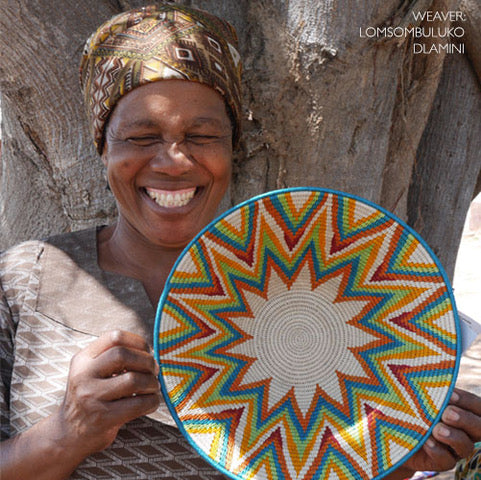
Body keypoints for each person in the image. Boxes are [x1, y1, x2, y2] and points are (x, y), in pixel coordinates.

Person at [0, 3, 479, 479]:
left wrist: (395, 459)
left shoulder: (339, 274)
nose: (173, 162)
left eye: (202, 135)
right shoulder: (30, 279)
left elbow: (335, 461)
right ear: (103, 147)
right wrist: (66, 433)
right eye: (141, 136)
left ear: (233, 149)